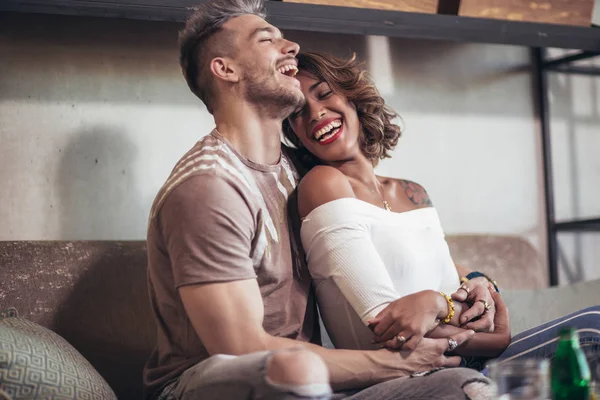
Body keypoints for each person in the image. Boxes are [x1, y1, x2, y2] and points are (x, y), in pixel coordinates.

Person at [143, 0, 496, 399]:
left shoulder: (300, 170)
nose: (291, 46)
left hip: (318, 379)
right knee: (298, 369)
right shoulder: (209, 188)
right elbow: (238, 347)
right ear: (226, 69)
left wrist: (475, 283)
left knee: (469, 380)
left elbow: (399, 244)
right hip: (211, 383)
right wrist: (397, 364)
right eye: (267, 39)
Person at [282, 51, 600, 375]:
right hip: (413, 374)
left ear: (352, 98)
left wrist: (477, 282)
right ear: (293, 132)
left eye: (324, 94)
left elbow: (441, 270)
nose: (316, 113)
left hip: (470, 362)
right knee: (593, 332)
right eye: (297, 112)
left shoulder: (411, 191)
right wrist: (492, 335)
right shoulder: (323, 184)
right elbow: (387, 324)